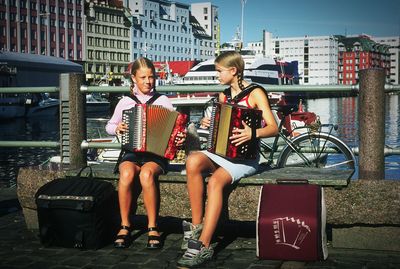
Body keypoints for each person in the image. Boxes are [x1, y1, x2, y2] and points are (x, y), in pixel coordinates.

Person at [177, 51, 279, 267]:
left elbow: (273, 128)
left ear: (233, 71)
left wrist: (253, 133)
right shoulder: (224, 96)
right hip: (221, 153)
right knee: (192, 161)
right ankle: (197, 227)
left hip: (245, 159)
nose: (217, 75)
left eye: (219, 71)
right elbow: (219, 127)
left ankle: (204, 245)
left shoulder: (255, 93)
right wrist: (208, 122)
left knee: (215, 182)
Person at [105, 57, 185, 249]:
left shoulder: (163, 100)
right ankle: (125, 225)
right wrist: (118, 129)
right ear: (133, 78)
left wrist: (179, 137)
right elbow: (110, 125)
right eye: (143, 77)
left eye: (151, 77)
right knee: (126, 173)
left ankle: (152, 226)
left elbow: (176, 130)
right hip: (132, 152)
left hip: (156, 155)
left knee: (147, 174)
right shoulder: (125, 101)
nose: (148, 81)